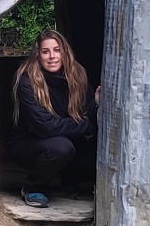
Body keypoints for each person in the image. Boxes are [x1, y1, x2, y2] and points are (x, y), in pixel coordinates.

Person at [9, 29, 99, 208]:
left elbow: (89, 116)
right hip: (30, 145)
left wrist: (96, 105)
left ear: (65, 52)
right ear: (38, 55)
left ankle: (68, 177)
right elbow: (46, 128)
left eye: (57, 50)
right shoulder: (27, 81)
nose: (52, 56)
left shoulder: (78, 76)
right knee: (61, 147)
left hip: (69, 141)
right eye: (45, 51)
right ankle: (33, 186)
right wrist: (86, 125)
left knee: (100, 153)